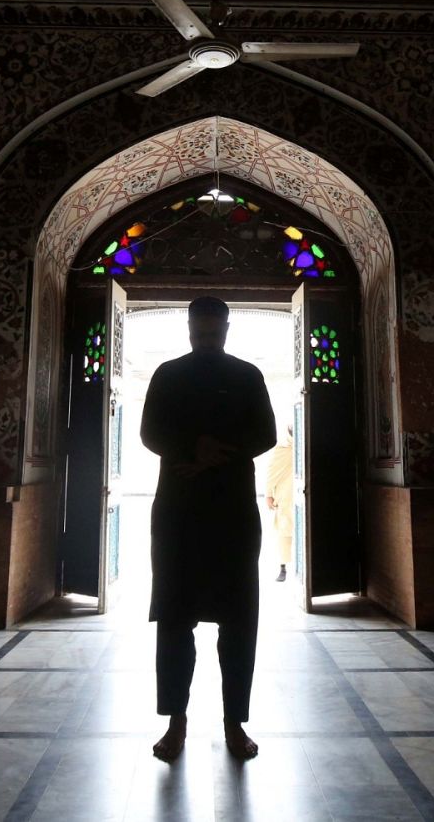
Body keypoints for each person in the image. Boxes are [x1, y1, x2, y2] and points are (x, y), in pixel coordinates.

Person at [140, 296, 277, 761]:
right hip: (178, 516)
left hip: (232, 517)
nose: (206, 340)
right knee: (175, 621)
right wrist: (192, 447)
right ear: (189, 329)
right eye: (200, 333)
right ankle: (175, 723)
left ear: (226, 328)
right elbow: (149, 432)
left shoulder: (246, 376)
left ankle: (234, 723)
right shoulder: (168, 375)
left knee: (238, 623)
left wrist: (216, 453)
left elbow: (266, 434)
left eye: (213, 333)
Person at [265, 424, 296, 582]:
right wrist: (268, 494)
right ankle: (283, 567)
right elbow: (271, 472)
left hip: (301, 494)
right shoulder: (283, 448)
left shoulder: (305, 446)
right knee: (284, 532)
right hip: (285, 497)